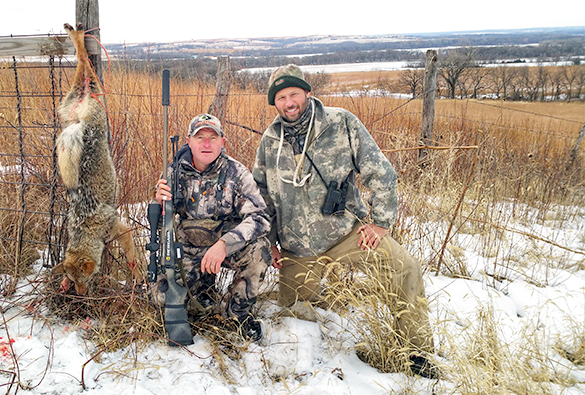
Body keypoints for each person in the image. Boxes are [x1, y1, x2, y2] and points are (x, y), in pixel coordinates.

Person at [251, 64, 438, 378]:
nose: (289, 102)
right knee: (293, 312)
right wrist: (269, 243)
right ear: (275, 103)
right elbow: (261, 198)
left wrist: (380, 222)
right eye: (281, 97)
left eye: (294, 93)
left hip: (347, 231)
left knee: (405, 267)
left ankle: (416, 351)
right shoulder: (270, 141)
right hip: (298, 246)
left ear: (307, 93)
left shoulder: (341, 122)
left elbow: (380, 171)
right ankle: (313, 365)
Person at [153, 113, 272, 341]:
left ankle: (236, 317)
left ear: (222, 142)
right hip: (187, 249)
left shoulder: (237, 173)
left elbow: (260, 218)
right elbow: (159, 226)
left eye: (212, 137)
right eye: (200, 137)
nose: (206, 144)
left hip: (225, 247)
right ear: (189, 141)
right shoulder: (172, 172)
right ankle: (203, 291)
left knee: (259, 252)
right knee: (161, 300)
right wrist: (158, 203)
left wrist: (224, 245)